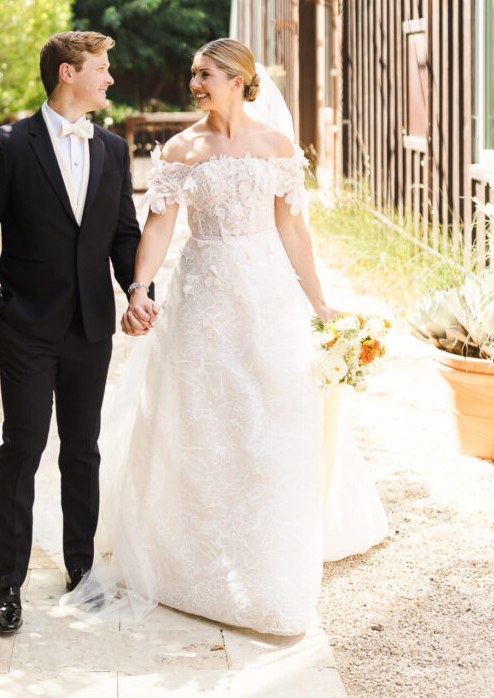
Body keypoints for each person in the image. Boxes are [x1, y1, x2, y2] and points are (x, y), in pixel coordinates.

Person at [69, 37, 387, 637]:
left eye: (206, 73)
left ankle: (268, 558)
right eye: (193, 73)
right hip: (203, 298)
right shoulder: (182, 149)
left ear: (239, 80)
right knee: (202, 421)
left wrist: (319, 303)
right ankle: (191, 560)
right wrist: (139, 288)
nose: (195, 82)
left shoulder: (276, 146)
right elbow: (159, 229)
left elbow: (293, 231)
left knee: (273, 417)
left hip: (266, 297)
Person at [0, 30, 153, 634]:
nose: (110, 79)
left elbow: (123, 234)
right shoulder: (9, 145)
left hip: (92, 325)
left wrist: (137, 291)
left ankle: (80, 569)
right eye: (102, 68)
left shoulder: (114, 151)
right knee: (22, 448)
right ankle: (7, 586)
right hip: (25, 327)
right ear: (68, 73)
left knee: (83, 450)